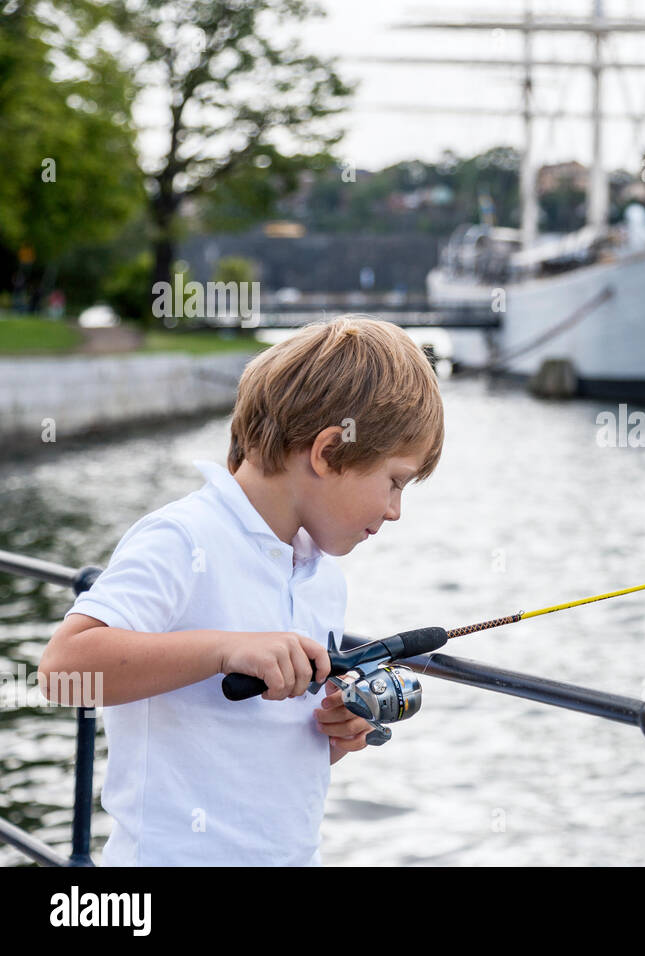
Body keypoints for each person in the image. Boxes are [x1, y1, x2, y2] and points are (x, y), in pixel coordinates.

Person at [37, 315, 445, 865]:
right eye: (394, 482)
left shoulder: (323, 576)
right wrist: (224, 649)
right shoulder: (184, 538)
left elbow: (258, 747)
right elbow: (62, 673)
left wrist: (332, 733)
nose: (395, 511)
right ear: (328, 452)